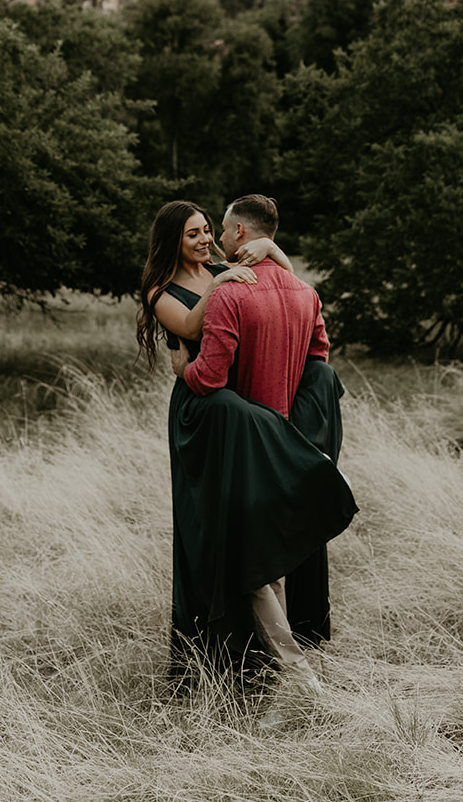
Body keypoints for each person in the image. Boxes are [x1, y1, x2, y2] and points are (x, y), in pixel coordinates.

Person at [137, 196, 356, 687]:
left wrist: (271, 254)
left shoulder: (224, 268)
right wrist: (222, 282)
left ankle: (269, 665)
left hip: (243, 411)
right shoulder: (160, 288)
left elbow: (280, 285)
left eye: (208, 230)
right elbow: (191, 325)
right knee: (215, 535)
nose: (205, 239)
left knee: (244, 538)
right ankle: (238, 661)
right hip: (207, 413)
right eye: (193, 233)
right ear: (173, 239)